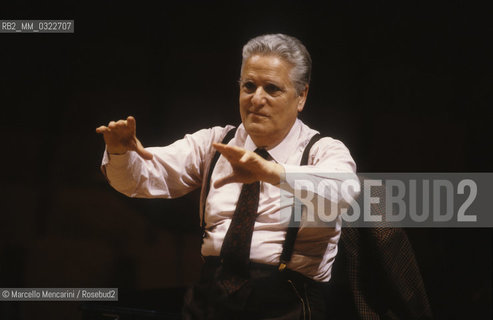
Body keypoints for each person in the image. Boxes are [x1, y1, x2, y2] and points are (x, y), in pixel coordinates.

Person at [96, 34, 357, 319]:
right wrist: (121, 153)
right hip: (210, 298)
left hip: (287, 303)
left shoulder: (322, 150)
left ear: (301, 96)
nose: (257, 99)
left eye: (272, 89)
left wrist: (271, 172)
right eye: (249, 86)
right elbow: (141, 178)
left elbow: (345, 191)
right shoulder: (216, 143)